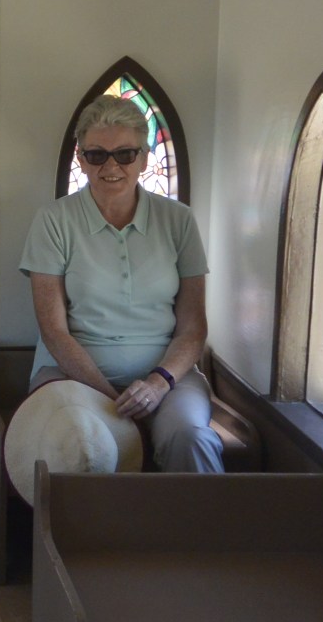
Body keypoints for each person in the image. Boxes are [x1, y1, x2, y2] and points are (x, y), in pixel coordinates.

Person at [19, 94, 223, 472]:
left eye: (125, 154)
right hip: (72, 376)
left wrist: (158, 384)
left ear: (143, 158)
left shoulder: (179, 221)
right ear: (81, 159)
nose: (111, 166)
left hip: (168, 377)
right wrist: (113, 399)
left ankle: (197, 514)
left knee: (191, 438)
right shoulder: (53, 221)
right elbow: (53, 331)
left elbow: (193, 328)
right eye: (97, 155)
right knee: (81, 443)